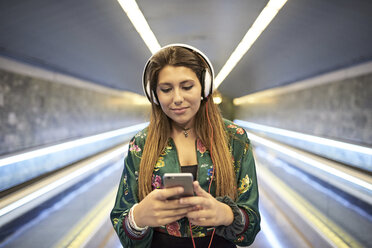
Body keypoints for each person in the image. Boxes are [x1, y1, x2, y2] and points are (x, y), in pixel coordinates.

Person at [110, 44, 260, 248]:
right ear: (154, 95)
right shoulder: (141, 144)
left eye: (187, 87)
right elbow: (123, 224)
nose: (177, 99)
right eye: (166, 89)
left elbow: (251, 227)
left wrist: (225, 214)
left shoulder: (235, 138)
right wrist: (138, 217)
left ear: (204, 88)